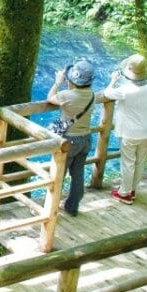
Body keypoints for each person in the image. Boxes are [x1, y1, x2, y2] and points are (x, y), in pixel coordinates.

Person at [47, 59, 96, 216]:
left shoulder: (67, 95)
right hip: (85, 139)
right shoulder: (92, 94)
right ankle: (72, 206)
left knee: (58, 174)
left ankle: (50, 208)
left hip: (69, 141)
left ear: (72, 80)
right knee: (78, 174)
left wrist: (57, 83)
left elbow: (50, 98)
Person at [103, 54, 147, 204]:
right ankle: (132, 190)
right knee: (140, 161)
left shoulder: (125, 89)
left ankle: (124, 193)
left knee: (128, 163)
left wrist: (113, 81)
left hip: (129, 132)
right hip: (146, 130)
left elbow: (107, 93)